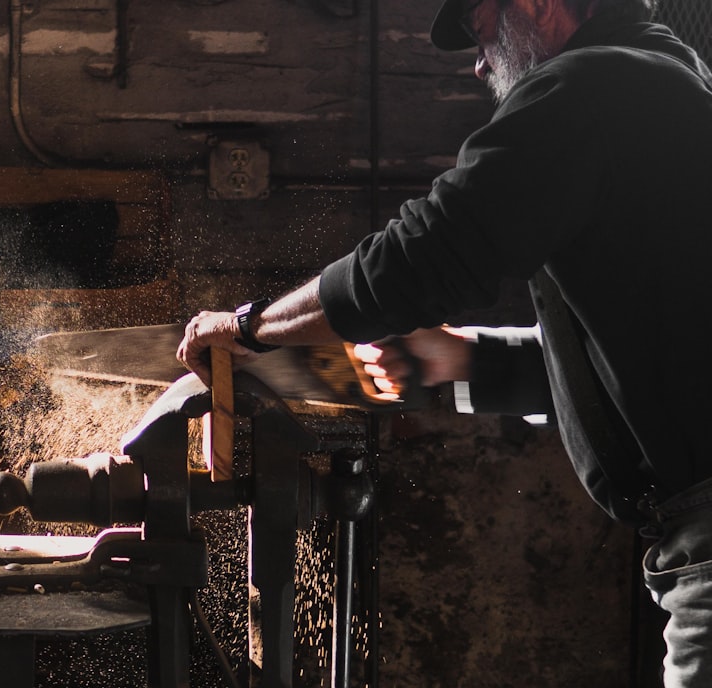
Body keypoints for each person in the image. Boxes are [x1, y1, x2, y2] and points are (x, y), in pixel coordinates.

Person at [176, 0, 712, 684]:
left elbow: (422, 253)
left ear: (540, 5)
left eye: (481, 25)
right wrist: (462, 361)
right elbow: (641, 364)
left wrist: (250, 327)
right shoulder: (668, 83)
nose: (479, 58)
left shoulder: (592, 87)